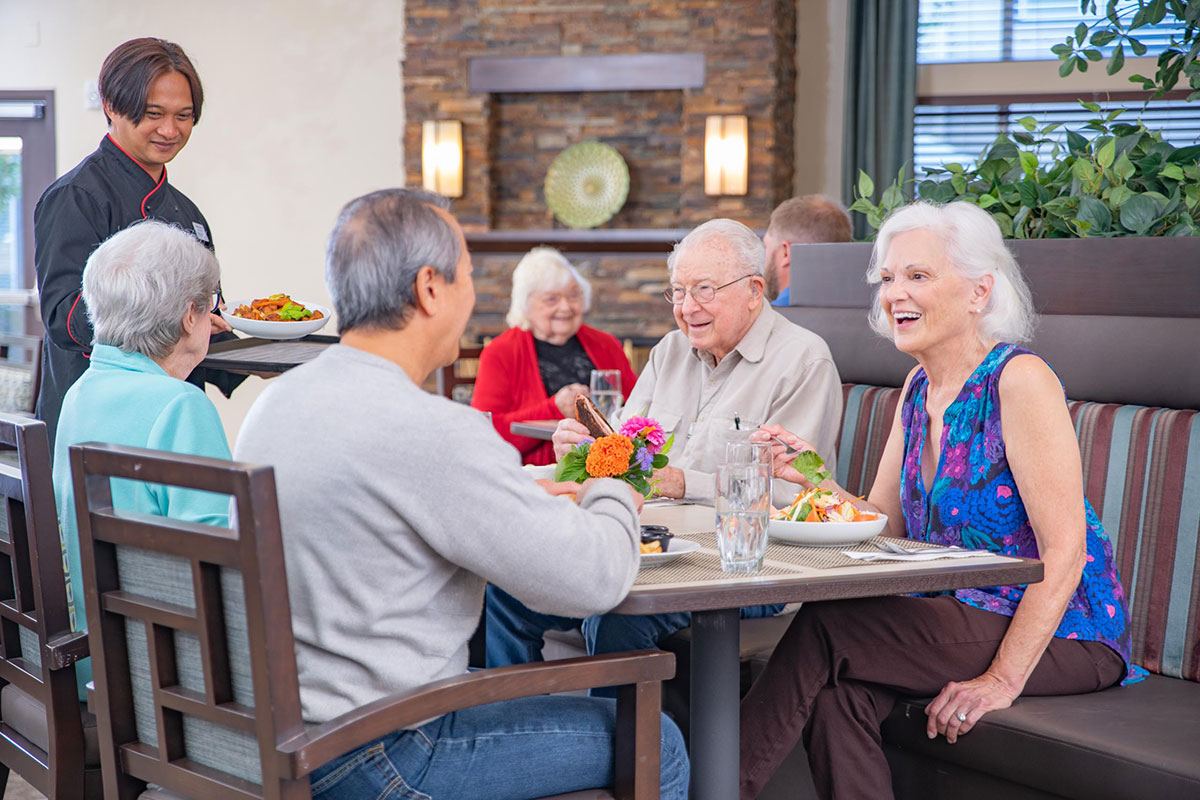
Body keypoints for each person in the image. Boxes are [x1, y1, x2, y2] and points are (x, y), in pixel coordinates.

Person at [233, 188, 688, 800]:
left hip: (282, 738)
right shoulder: (432, 429)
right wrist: (611, 484)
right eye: (470, 275)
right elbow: (597, 578)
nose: (474, 297)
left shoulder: (277, 404)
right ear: (430, 288)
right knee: (659, 741)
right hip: (384, 751)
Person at [739, 201, 1138, 799]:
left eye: (918, 276)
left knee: (826, 626)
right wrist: (810, 477)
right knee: (836, 695)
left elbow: (1066, 552)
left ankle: (702, 789)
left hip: (1067, 632)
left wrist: (1001, 680)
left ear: (979, 292)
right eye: (889, 277)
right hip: (960, 612)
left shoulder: (1020, 380)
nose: (895, 292)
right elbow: (880, 523)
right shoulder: (918, 386)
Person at [486, 218, 843, 671]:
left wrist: (678, 481)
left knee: (614, 615)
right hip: (652, 549)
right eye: (677, 291)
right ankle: (516, 728)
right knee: (506, 591)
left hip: (750, 569)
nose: (686, 306)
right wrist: (579, 452)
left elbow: (795, 497)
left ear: (755, 290)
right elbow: (616, 450)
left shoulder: (803, 360)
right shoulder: (669, 351)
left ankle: (615, 742)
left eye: (704, 290)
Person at [51, 220, 232, 700]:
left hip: (91, 661)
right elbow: (221, 573)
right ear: (189, 317)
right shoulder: (181, 406)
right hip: (161, 685)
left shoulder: (80, 393)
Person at [34, 37, 241, 450]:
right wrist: (167, 321)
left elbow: (200, 323)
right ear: (111, 104)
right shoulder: (77, 197)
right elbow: (64, 317)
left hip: (173, 423)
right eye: (154, 114)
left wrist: (266, 357)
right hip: (97, 429)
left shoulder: (188, 213)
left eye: (184, 116)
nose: (170, 130)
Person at [471, 246, 637, 465]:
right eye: (551, 299)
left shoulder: (606, 345)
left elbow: (639, 407)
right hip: (534, 477)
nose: (565, 307)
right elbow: (482, 433)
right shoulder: (501, 352)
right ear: (526, 305)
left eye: (573, 296)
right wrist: (554, 408)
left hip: (610, 470)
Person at [762, 194, 852, 306]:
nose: (761, 261)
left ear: (786, 252)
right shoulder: (869, 313)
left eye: (766, 248)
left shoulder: (766, 320)